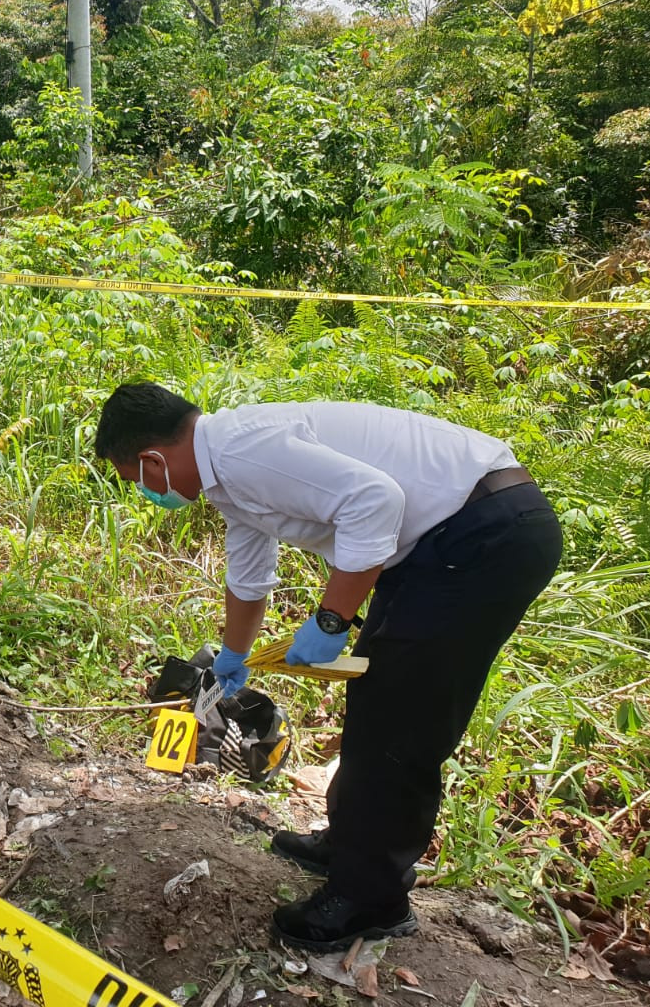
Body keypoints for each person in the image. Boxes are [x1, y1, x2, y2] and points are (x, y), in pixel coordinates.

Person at [93, 384, 563, 951]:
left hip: (483, 533)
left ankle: (372, 899)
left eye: (137, 480)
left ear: (153, 461)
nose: (148, 492)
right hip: (441, 543)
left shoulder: (242, 451)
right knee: (376, 696)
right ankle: (351, 846)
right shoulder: (227, 474)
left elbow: (376, 501)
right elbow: (249, 573)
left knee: (403, 718)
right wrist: (234, 654)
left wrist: (332, 620)